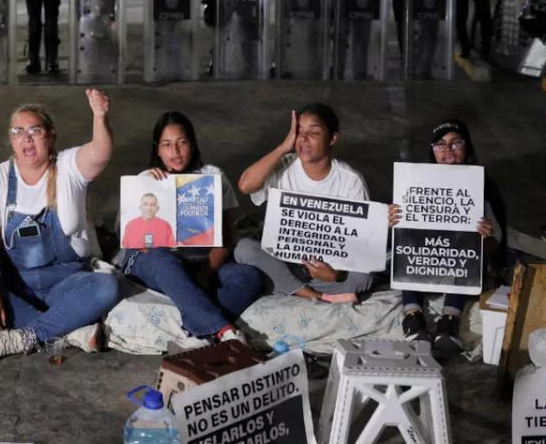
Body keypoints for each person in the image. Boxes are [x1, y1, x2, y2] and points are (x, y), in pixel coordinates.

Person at [0, 89, 122, 361]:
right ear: (11, 141)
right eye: (18, 132)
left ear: (51, 136)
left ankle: (27, 336)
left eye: (35, 130)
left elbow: (100, 152)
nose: (26, 137)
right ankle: (69, 332)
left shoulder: (68, 167)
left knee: (107, 287)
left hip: (68, 283)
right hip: (18, 285)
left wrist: (99, 116)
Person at [115, 111, 263, 344]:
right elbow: (135, 242)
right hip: (155, 263)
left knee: (248, 277)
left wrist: (206, 272)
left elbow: (226, 237)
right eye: (167, 145)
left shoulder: (213, 176)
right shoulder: (145, 179)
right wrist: (149, 187)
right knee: (162, 259)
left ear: (192, 144)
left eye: (181, 143)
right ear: (157, 149)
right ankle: (222, 330)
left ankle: (196, 329)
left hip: (200, 262)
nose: (175, 152)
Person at [234, 104, 375, 302]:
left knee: (364, 276)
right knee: (244, 249)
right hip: (285, 264)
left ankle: (290, 289)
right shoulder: (283, 165)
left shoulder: (350, 180)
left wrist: (336, 274)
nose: (304, 139)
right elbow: (245, 185)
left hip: (326, 271)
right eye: (299, 132)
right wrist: (284, 147)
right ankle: (316, 296)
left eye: (314, 132)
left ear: (333, 138)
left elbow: (360, 244)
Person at [390, 120, 507, 355]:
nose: (448, 151)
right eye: (440, 145)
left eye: (456, 143)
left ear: (467, 147)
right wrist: (392, 218)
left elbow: (497, 248)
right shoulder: (415, 181)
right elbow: (397, 237)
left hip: (461, 259)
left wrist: (485, 239)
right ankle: (412, 317)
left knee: (466, 252)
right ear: (432, 150)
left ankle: (449, 320)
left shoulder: (483, 185)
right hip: (426, 256)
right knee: (407, 249)